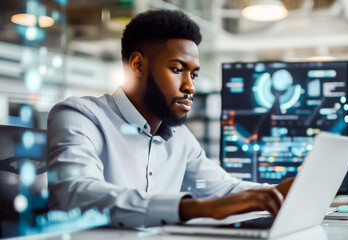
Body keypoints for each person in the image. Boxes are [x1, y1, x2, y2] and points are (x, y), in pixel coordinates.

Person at [47, 9, 294, 228]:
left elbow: (225, 189)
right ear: (138, 65)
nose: (190, 87)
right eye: (177, 70)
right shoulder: (80, 116)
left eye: (194, 75)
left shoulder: (180, 139)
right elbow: (75, 193)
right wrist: (195, 208)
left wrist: (281, 191)